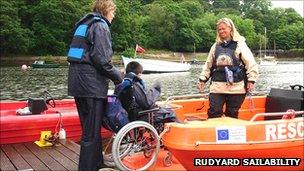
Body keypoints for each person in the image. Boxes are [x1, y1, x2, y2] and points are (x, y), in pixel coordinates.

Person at [67, 0, 122, 170]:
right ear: (106, 10)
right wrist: (119, 77)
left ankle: (98, 162)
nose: (113, 16)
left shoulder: (84, 23)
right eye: (113, 12)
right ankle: (87, 167)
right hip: (91, 86)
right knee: (91, 133)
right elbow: (102, 60)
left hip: (77, 83)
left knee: (90, 128)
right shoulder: (101, 26)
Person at [197, 18, 259, 119]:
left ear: (230, 29)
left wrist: (251, 80)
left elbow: (250, 63)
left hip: (236, 87)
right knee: (214, 112)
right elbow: (208, 65)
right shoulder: (215, 46)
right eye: (219, 29)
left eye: (224, 29)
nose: (221, 31)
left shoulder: (240, 44)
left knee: (232, 114)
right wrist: (202, 79)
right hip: (217, 86)